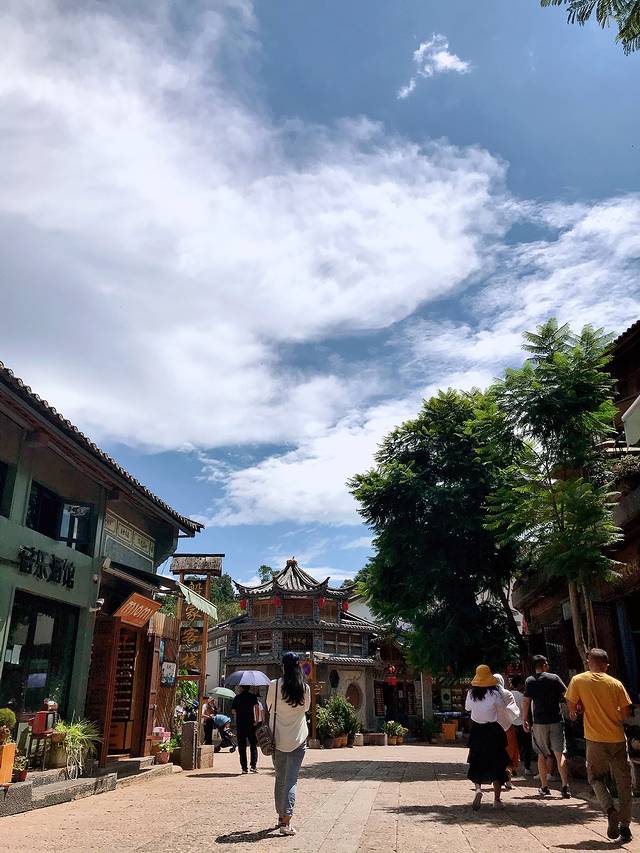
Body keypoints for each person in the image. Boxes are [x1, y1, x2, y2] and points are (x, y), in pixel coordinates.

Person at [566, 648, 633, 844]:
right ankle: (625, 827)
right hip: (617, 739)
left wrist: (579, 709)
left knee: (595, 778)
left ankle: (610, 809)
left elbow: (572, 707)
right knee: (624, 783)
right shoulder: (615, 683)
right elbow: (625, 713)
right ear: (606, 665)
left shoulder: (578, 680)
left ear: (589, 662)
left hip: (595, 739)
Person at [266, 652, 311, 836]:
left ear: (283, 666)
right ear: (298, 666)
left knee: (280, 778)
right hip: (298, 739)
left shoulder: (274, 685)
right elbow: (306, 708)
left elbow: (269, 707)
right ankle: (286, 821)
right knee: (291, 780)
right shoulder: (304, 688)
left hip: (277, 739)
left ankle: (280, 817)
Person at [465, 664, 516, 811]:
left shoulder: (471, 693)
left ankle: (478, 789)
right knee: (497, 763)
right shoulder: (495, 694)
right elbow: (501, 710)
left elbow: (468, 708)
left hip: (477, 731)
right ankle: (497, 800)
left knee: (476, 761)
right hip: (493, 731)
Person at [522, 655, 571, 799]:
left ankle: (544, 786)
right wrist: (572, 710)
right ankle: (565, 786)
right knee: (559, 753)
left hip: (539, 722)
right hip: (556, 719)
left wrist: (525, 719)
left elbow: (526, 701)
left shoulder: (530, 681)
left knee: (541, 754)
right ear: (544, 665)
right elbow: (567, 694)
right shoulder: (554, 678)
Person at [494, 673, 520, 788]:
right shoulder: (507, 694)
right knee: (510, 754)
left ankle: (497, 780)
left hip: (493, 729)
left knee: (496, 755)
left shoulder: (490, 695)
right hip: (508, 728)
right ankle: (508, 780)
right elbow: (514, 711)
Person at [509, 673, 533, 776]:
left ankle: (512, 767)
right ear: (519, 684)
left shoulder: (508, 695)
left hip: (511, 724)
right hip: (523, 724)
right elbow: (527, 711)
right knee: (527, 746)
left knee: (514, 747)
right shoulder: (523, 696)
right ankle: (527, 767)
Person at [232, 685, 259, 774]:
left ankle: (244, 768)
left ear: (241, 688)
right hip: (251, 723)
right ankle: (253, 766)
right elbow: (256, 708)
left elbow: (233, 711)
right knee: (253, 745)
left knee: (242, 746)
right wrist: (256, 720)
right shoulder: (253, 697)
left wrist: (239, 712)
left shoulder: (237, 697)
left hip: (240, 724)